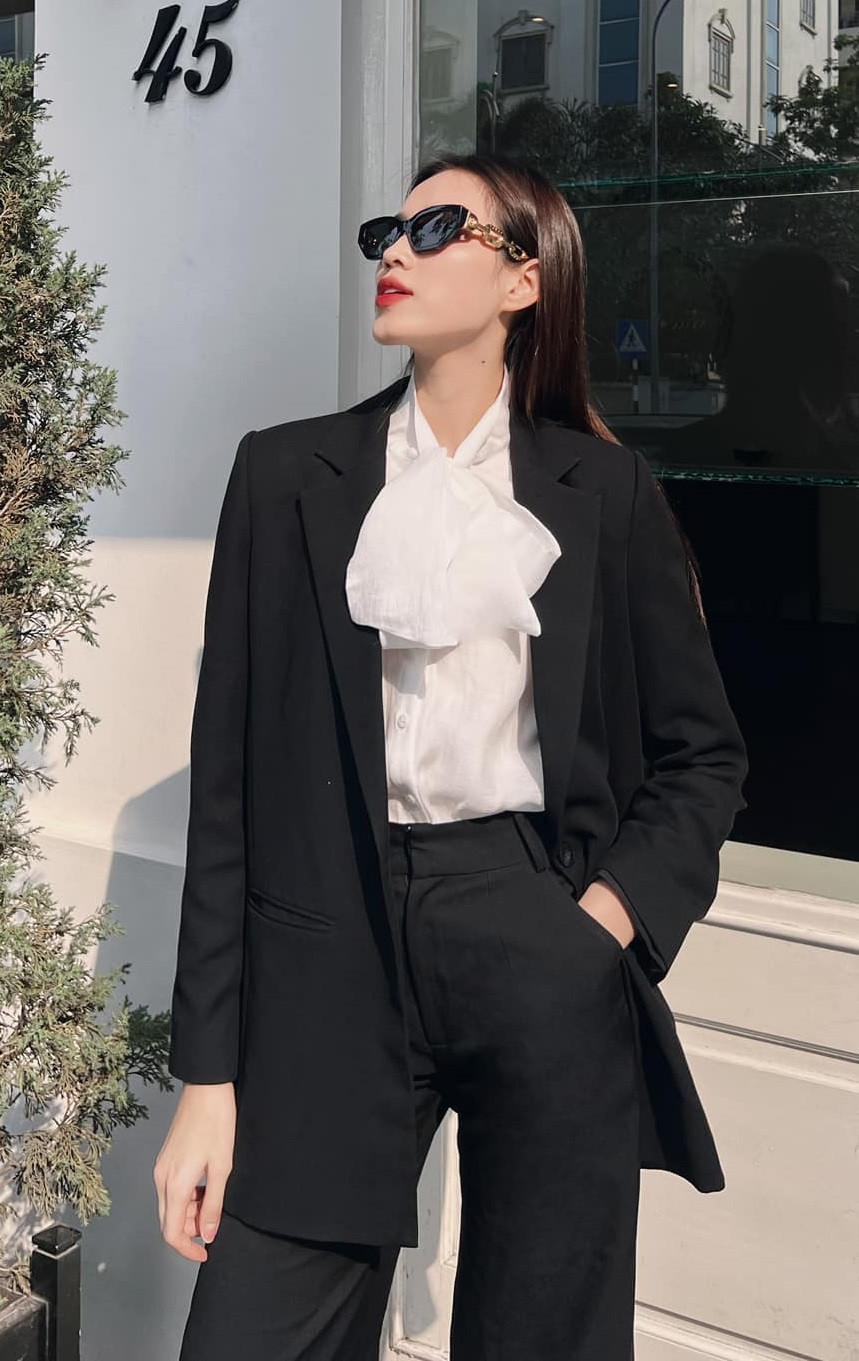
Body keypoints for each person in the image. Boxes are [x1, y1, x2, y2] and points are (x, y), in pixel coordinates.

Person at [154, 151, 749, 1360]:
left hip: (535, 932)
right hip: (328, 940)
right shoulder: (286, 475)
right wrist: (208, 1079)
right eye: (389, 227)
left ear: (524, 280)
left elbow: (701, 755)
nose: (395, 250)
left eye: (436, 229)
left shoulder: (603, 489)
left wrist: (601, 924)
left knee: (545, 1332)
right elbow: (228, 793)